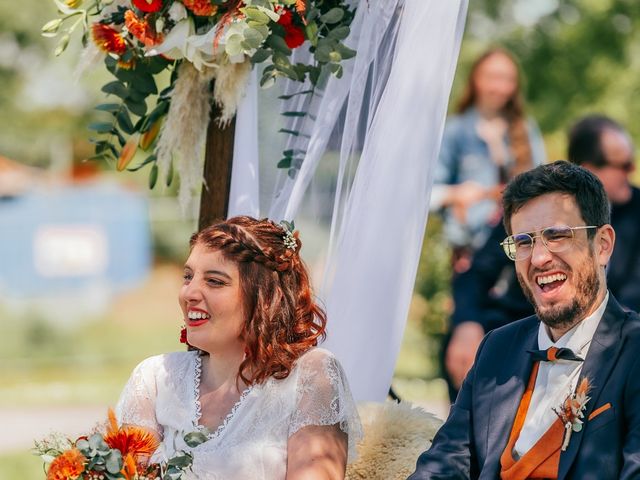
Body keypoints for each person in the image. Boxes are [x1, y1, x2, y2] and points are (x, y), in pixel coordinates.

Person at [409, 161, 640, 478]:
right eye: (524, 242)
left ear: (602, 245)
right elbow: (444, 464)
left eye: (557, 235)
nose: (539, 257)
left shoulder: (635, 351)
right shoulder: (497, 347)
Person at [116, 216, 362, 479]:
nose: (189, 293)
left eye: (215, 281)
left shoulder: (311, 376)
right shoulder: (154, 378)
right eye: (188, 277)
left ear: (265, 298)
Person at [443, 115, 640, 402]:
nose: (632, 171)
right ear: (588, 169)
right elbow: (475, 272)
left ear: (604, 242)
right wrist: (466, 323)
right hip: (527, 331)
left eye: (558, 236)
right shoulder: (535, 208)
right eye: (622, 165)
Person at [430, 47, 545, 272]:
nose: (500, 87)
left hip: (519, 250)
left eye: (508, 80)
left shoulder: (525, 129)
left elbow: (543, 188)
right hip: (471, 250)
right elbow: (428, 194)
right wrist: (456, 194)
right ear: (475, 79)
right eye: (492, 77)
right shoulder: (455, 131)